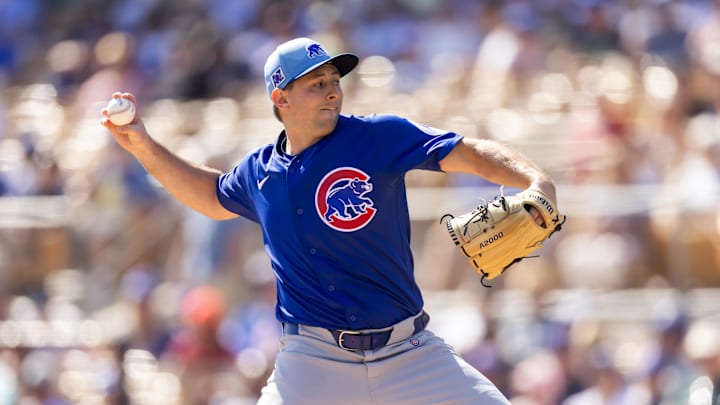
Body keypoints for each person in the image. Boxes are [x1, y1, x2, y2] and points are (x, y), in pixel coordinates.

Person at [101, 37, 559, 405]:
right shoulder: (259, 173)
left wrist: (534, 178)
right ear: (281, 98)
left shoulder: (376, 137)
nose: (332, 90)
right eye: (315, 83)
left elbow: (468, 151)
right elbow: (210, 195)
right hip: (312, 361)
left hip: (409, 351)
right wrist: (141, 144)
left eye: (334, 79)